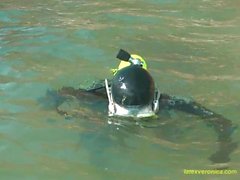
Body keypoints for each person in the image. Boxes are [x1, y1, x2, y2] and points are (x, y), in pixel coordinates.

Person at [46, 49, 237, 166]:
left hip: (110, 124)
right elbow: (222, 122)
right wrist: (223, 150)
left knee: (94, 137)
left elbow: (58, 93)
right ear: (153, 97)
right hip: (155, 131)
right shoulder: (167, 102)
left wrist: (57, 111)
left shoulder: (94, 96)